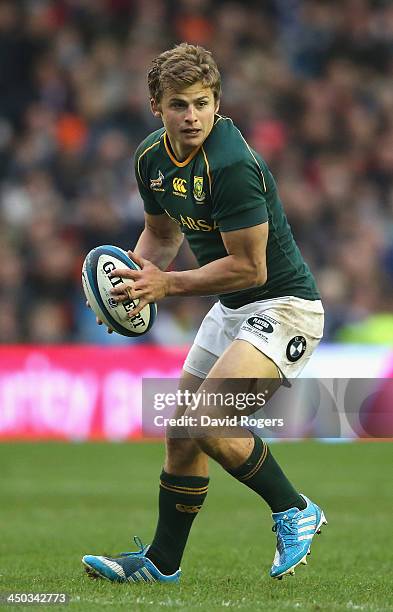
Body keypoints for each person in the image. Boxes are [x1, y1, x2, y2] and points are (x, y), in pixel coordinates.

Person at [82, 43, 327, 584]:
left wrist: (164, 286)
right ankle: (161, 564)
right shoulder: (151, 159)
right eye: (178, 105)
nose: (191, 116)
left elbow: (251, 269)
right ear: (156, 106)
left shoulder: (232, 164)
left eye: (201, 103)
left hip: (284, 306)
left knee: (208, 420)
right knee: (181, 432)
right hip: (230, 306)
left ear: (217, 103)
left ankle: (295, 509)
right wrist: (130, 287)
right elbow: (162, 236)